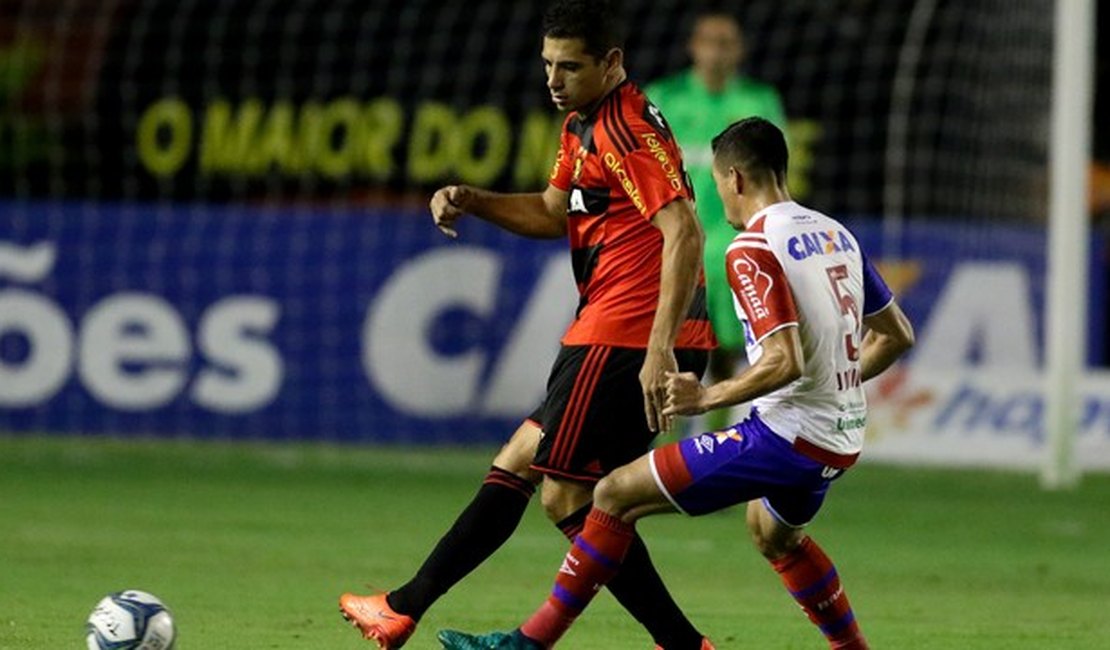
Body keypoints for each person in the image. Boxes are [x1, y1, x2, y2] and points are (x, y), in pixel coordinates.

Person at [438, 117, 915, 650]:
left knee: (613, 493)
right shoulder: (836, 234)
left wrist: (705, 397)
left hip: (785, 439)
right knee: (773, 534)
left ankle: (528, 643)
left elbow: (783, 362)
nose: (722, 200)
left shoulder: (752, 247)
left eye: (717, 185)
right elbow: (896, 335)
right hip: (840, 436)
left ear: (734, 178)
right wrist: (838, 380)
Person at [339, 1, 718, 649]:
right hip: (618, 334)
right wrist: (472, 198)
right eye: (547, 65)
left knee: (567, 499)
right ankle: (401, 607)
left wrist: (659, 348)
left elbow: (683, 229)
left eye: (570, 66)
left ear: (612, 63)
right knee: (528, 466)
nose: (554, 79)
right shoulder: (581, 124)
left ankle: (684, 645)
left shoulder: (625, 129)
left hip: (626, 338)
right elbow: (550, 213)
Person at [646, 9, 788, 433]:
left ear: (739, 51)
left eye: (726, 42)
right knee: (658, 344)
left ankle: (712, 436)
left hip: (733, 248)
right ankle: (648, 441)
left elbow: (775, 176)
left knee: (728, 351)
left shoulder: (759, 102)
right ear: (694, 47)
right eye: (709, 41)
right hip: (671, 245)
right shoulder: (664, 97)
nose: (716, 51)